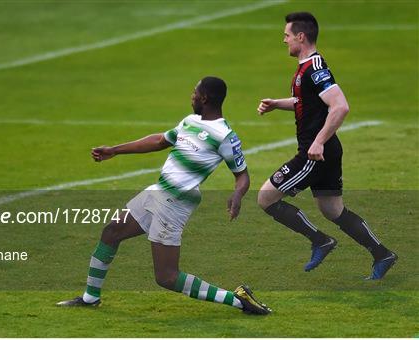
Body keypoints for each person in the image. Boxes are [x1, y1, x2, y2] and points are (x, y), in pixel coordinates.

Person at [57, 76, 271, 314]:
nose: (191, 96)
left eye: (194, 92)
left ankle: (237, 299)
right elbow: (160, 141)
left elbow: (242, 176)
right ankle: (90, 297)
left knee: (167, 277)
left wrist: (238, 195)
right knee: (111, 232)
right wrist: (115, 151)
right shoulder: (190, 121)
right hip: (159, 190)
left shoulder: (225, 136)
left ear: (205, 98)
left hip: (176, 201)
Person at [256, 12, 397, 280]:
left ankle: (320, 240)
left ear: (301, 36)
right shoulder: (307, 67)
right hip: (327, 150)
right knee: (332, 209)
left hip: (314, 152)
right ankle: (382, 254)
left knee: (265, 198)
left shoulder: (315, 68)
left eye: (287, 35)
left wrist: (318, 142)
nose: (283, 40)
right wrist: (278, 103)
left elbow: (340, 106)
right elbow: (308, 101)